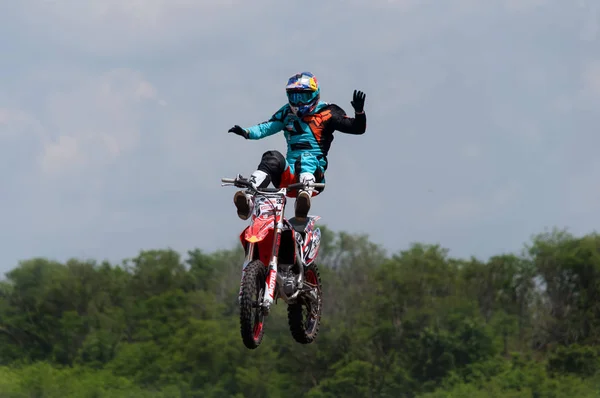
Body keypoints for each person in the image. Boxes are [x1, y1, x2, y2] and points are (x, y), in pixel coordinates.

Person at [227, 71, 367, 221]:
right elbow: (267, 127)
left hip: (315, 177)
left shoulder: (328, 112)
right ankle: (248, 197)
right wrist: (247, 132)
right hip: (289, 178)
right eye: (294, 97)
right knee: (271, 156)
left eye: (303, 97)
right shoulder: (287, 112)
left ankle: (303, 199)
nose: (299, 103)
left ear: (315, 94)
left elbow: (357, 128)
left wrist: (359, 112)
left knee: (306, 157)